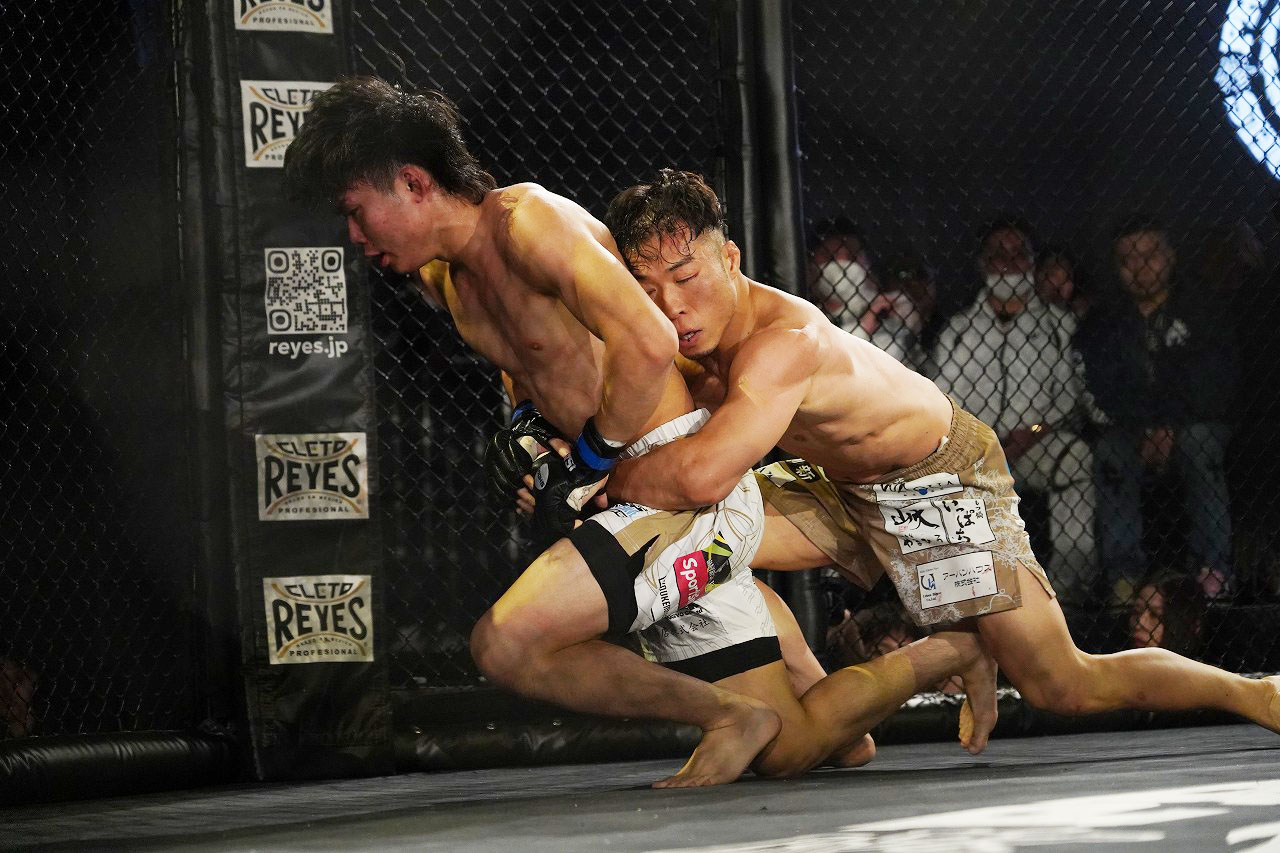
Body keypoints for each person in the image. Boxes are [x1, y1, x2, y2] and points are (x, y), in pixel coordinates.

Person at [284, 78, 991, 787]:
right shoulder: (443, 277)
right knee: (802, 744)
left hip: (676, 491)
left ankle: (726, 715)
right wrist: (534, 440)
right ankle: (946, 654)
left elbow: (649, 341)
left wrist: (590, 458)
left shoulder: (529, 222)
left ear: (413, 183)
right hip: (627, 499)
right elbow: (533, 369)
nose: (354, 237)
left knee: (506, 643)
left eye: (356, 211)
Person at [602, 169, 1280, 737]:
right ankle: (807, 713)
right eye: (648, 288)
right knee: (685, 538)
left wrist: (606, 468)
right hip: (842, 488)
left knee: (1061, 684)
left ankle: (1257, 693)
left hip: (937, 482)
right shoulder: (695, 344)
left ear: (729, 260)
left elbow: (699, 473)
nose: (670, 305)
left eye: (685, 276)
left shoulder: (783, 344)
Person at [931, 218, 1096, 601]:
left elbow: (1068, 398)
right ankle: (967, 587)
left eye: (1018, 254)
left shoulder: (1059, 325)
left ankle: (1071, 582)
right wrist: (979, 443)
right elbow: (943, 400)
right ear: (981, 263)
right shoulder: (959, 330)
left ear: (1032, 262)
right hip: (974, 450)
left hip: (1035, 442)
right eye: (997, 254)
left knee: (1075, 458)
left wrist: (1032, 432)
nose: (1008, 262)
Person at [1075, 217, 1238, 601]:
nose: (1140, 266)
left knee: (1200, 444)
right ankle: (1123, 576)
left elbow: (1215, 380)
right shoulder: (1105, 319)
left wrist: (1171, 423)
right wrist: (1145, 426)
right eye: (1128, 258)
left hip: (1194, 422)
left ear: (1171, 256)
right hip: (1130, 428)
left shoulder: (1202, 307)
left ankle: (1213, 569)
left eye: (1150, 254)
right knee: (1111, 452)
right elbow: (1101, 385)